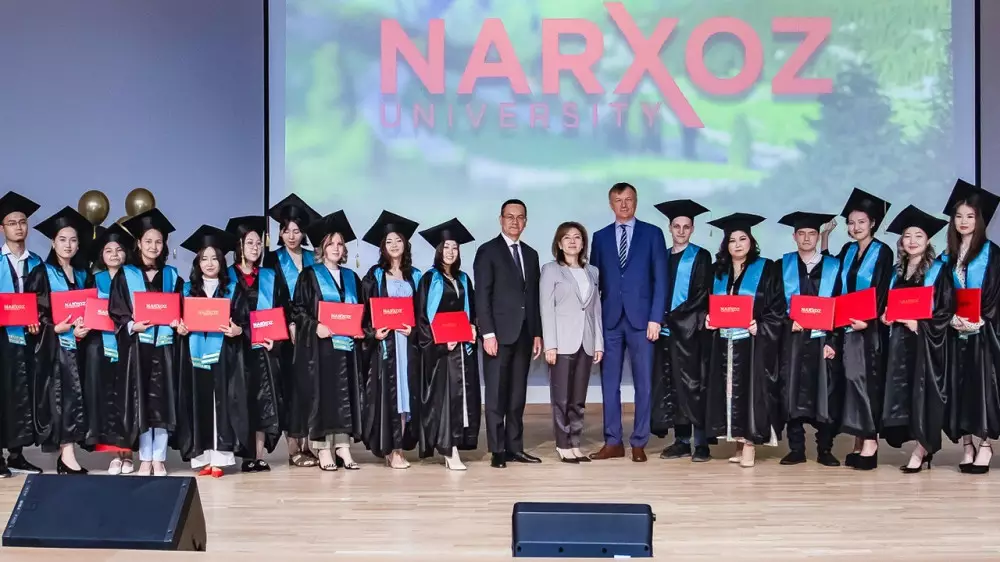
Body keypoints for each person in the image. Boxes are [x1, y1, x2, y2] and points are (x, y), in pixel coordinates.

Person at [589, 183, 667, 463]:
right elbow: (594, 283)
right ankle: (613, 441)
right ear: (611, 204)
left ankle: (639, 442)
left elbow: (661, 279)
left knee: (643, 384)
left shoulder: (652, 234)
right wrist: (594, 324)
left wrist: (656, 318)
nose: (624, 205)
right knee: (609, 384)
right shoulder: (600, 237)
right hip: (610, 320)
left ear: (636, 202)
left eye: (629, 199)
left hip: (642, 321)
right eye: (618, 200)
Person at [703, 213, 784, 468]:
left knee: (751, 394)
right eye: (732, 240)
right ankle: (738, 443)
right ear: (725, 244)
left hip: (751, 344)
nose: (737, 244)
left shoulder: (767, 268)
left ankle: (750, 444)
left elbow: (778, 307)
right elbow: (707, 304)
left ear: (751, 241)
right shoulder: (718, 271)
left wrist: (761, 325)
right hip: (724, 343)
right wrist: (707, 319)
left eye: (742, 238)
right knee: (729, 394)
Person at [821, 188, 894, 470]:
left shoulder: (883, 251)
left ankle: (871, 442)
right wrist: (825, 238)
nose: (855, 227)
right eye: (851, 223)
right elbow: (834, 277)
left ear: (873, 223)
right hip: (846, 327)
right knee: (851, 383)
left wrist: (870, 320)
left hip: (869, 330)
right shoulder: (848, 250)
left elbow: (883, 291)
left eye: (861, 222)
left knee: (865, 383)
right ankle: (859, 440)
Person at [879, 206, 954, 473]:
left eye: (918, 236)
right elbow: (889, 304)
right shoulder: (896, 271)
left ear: (928, 240)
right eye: (907, 236)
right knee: (904, 394)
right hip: (899, 343)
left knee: (923, 394)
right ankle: (919, 445)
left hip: (926, 343)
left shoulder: (939, 270)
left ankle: (922, 448)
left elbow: (946, 310)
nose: (912, 241)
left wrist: (920, 324)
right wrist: (886, 315)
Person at [110, 208, 184, 477]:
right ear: (139, 243)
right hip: (137, 347)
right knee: (141, 401)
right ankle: (145, 458)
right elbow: (116, 309)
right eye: (148, 241)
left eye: (159, 241)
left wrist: (178, 321)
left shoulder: (172, 275)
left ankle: (159, 458)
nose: (154, 246)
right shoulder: (125, 274)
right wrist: (132, 325)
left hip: (165, 347)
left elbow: (181, 307)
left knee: (162, 403)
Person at [289, 211, 364, 471]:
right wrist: (315, 326)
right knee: (323, 397)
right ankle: (322, 447)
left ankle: (343, 446)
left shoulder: (352, 278)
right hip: (320, 349)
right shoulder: (309, 275)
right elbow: (298, 310)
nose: (336, 248)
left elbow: (361, 312)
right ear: (322, 247)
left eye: (340, 244)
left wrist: (360, 329)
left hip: (346, 349)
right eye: (331, 243)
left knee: (344, 395)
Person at [174, 225, 250, 478]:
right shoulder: (186, 289)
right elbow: (179, 320)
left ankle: (220, 458)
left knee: (222, 403)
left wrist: (237, 330)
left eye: (214, 258)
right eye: (204, 259)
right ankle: (204, 458)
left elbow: (245, 321)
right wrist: (181, 328)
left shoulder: (233, 289)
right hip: (194, 355)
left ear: (221, 262)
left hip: (224, 355)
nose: (209, 263)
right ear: (197, 262)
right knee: (199, 402)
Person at [473, 199, 543, 469]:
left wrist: (537, 333)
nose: (515, 221)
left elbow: (533, 298)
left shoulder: (531, 254)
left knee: (516, 395)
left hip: (524, 334)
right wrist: (488, 333)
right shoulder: (487, 251)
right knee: (496, 395)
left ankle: (515, 447)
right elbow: (482, 296)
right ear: (500, 219)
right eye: (510, 216)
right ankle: (498, 450)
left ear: (526, 221)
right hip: (498, 335)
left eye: (520, 217)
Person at [26, 206, 94, 475]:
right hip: (55, 350)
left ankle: (68, 455)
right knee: (62, 400)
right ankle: (67, 456)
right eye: (62, 239)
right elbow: (34, 313)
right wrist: (56, 327)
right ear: (53, 243)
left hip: (80, 347)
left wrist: (84, 328)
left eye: (73, 240)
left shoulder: (82, 274)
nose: (68, 245)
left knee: (76, 399)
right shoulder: (41, 273)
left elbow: (91, 308)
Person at [941, 180, 1000, 474]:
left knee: (982, 388)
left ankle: (985, 444)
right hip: (955, 332)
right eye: (959, 216)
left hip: (982, 333)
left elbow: (996, 293)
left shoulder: (993, 253)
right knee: (959, 388)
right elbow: (942, 295)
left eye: (970, 216)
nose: (963, 221)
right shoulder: (947, 257)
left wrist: (982, 318)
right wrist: (951, 318)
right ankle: (967, 445)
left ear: (980, 220)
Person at [775, 211, 843, 467]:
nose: (806, 238)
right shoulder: (782, 265)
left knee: (825, 392)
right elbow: (774, 304)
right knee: (791, 391)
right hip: (793, 340)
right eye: (801, 233)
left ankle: (825, 449)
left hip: (822, 339)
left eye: (812, 233)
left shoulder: (834, 267)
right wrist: (787, 322)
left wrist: (833, 341)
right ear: (794, 236)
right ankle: (796, 449)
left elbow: (840, 306)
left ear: (818, 236)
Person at [414, 218, 482, 470]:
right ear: (438, 250)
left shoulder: (464, 278)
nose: (451, 252)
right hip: (442, 352)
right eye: (446, 247)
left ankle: (458, 443)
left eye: (455, 247)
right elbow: (422, 317)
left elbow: (472, 312)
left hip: (463, 349)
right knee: (446, 399)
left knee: (463, 397)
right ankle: (448, 447)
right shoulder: (429, 279)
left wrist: (474, 328)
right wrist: (440, 344)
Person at [650, 199, 713, 463]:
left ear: (692, 229)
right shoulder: (662, 257)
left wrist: (671, 317)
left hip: (690, 333)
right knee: (671, 386)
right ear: (670, 228)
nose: (681, 231)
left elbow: (701, 296)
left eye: (686, 227)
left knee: (693, 386)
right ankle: (682, 441)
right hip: (665, 334)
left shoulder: (701, 256)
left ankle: (701, 443)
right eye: (677, 226)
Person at [360, 210, 422, 469]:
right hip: (385, 346)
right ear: (382, 247)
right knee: (390, 395)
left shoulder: (415, 275)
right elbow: (364, 312)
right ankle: (391, 448)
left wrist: (414, 330)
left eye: (398, 240)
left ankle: (400, 446)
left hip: (407, 344)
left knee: (407, 397)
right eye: (389, 241)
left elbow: (422, 313)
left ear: (405, 244)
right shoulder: (374, 276)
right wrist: (373, 333)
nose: (394, 245)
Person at [264, 194, 321, 468]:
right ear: (280, 233)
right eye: (286, 230)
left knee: (309, 387)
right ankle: (292, 447)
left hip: (309, 331)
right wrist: (287, 323)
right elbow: (270, 296)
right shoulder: (272, 259)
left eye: (296, 231)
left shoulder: (313, 258)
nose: (291, 236)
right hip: (285, 334)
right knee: (290, 388)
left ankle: (310, 443)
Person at [539, 222, 603, 463]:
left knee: (578, 399)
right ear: (559, 243)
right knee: (562, 398)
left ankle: (575, 443)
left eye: (577, 237)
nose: (573, 241)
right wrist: (550, 345)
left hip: (586, 341)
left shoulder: (593, 272)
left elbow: (596, 310)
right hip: (562, 342)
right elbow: (546, 308)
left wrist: (599, 343)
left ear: (583, 243)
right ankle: (562, 444)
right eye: (567, 237)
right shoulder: (551, 270)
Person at [226, 215, 284, 473]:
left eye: (259, 243)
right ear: (239, 245)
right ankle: (244, 454)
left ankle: (258, 455)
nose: (255, 247)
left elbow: (281, 311)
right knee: (241, 399)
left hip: (262, 349)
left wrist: (276, 339)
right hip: (235, 349)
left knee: (262, 400)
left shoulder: (269, 276)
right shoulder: (227, 276)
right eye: (250, 242)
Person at [83, 224, 136, 475]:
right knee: (108, 400)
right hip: (102, 346)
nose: (114, 254)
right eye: (108, 250)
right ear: (101, 256)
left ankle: (129, 452)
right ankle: (115, 453)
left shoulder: (135, 278)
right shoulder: (94, 280)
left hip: (130, 345)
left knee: (128, 398)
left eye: (119, 249)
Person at [0, 191, 46, 477]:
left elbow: (43, 299)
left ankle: (17, 454)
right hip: (2, 337)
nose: (18, 227)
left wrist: (37, 317)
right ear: (1, 228)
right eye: (11, 223)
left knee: (23, 392)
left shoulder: (37, 262)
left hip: (28, 337)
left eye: (22, 222)